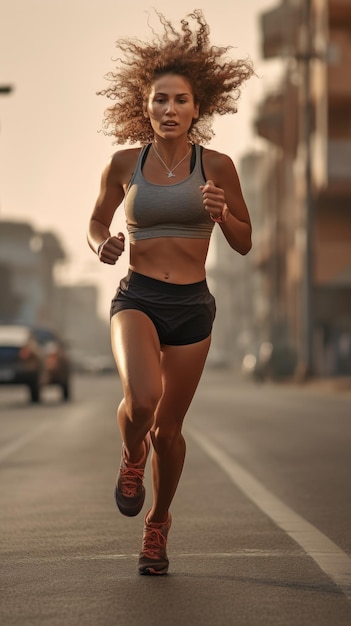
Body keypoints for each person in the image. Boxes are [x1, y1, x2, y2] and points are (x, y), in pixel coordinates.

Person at [87, 9, 254, 575]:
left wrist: (223, 213)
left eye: (180, 100)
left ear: (197, 108)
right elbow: (95, 223)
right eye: (160, 100)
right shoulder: (121, 163)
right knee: (140, 401)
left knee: (171, 430)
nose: (170, 109)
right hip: (136, 297)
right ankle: (131, 458)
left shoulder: (219, 166)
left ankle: (158, 524)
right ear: (146, 106)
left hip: (191, 306)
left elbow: (246, 242)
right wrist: (102, 246)